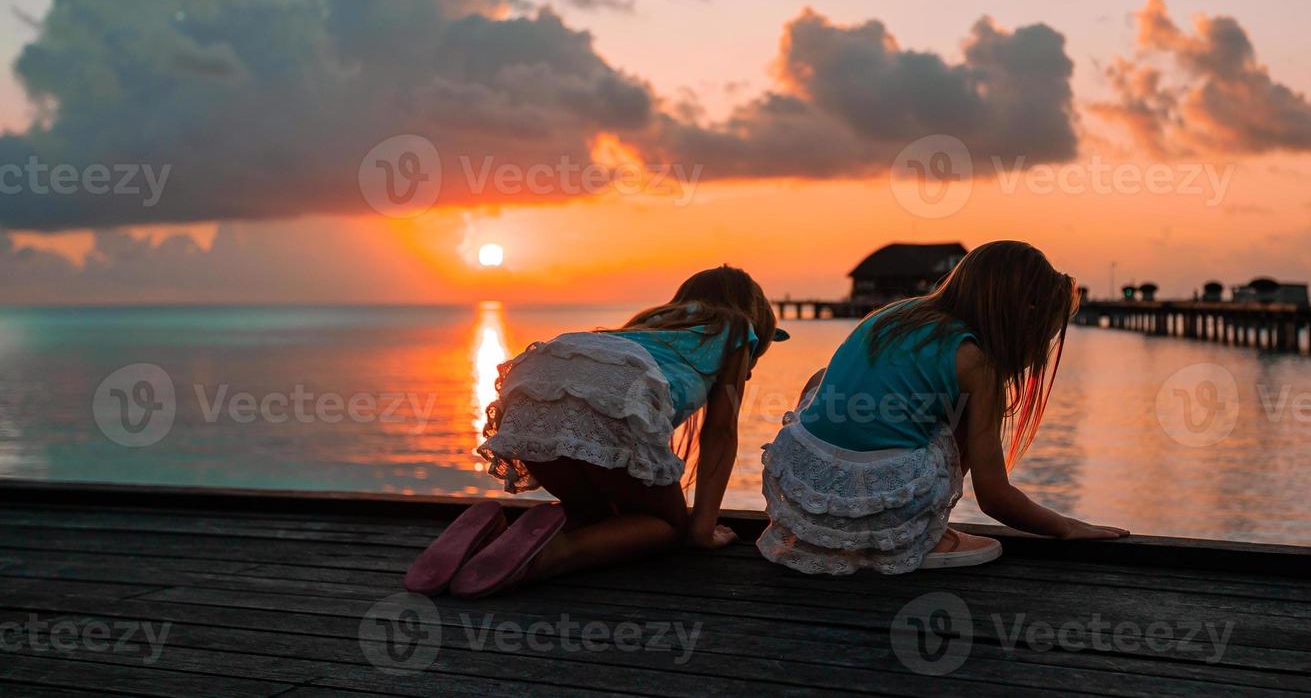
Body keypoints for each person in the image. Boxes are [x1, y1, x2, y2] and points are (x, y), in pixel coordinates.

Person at [407, 265, 785, 597]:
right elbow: (719, 433)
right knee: (668, 527)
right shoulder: (737, 329)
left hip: (537, 387)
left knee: (600, 515)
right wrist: (700, 531)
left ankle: (490, 540)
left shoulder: (646, 327)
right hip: (607, 396)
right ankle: (543, 560)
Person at [759, 240, 1128, 575]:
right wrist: (1066, 526)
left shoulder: (892, 316)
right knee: (958, 408)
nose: (1035, 355)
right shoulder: (974, 361)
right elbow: (995, 498)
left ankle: (842, 530)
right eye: (1040, 340)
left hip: (802, 493)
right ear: (1023, 317)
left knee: (823, 378)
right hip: (882, 504)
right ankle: (926, 535)